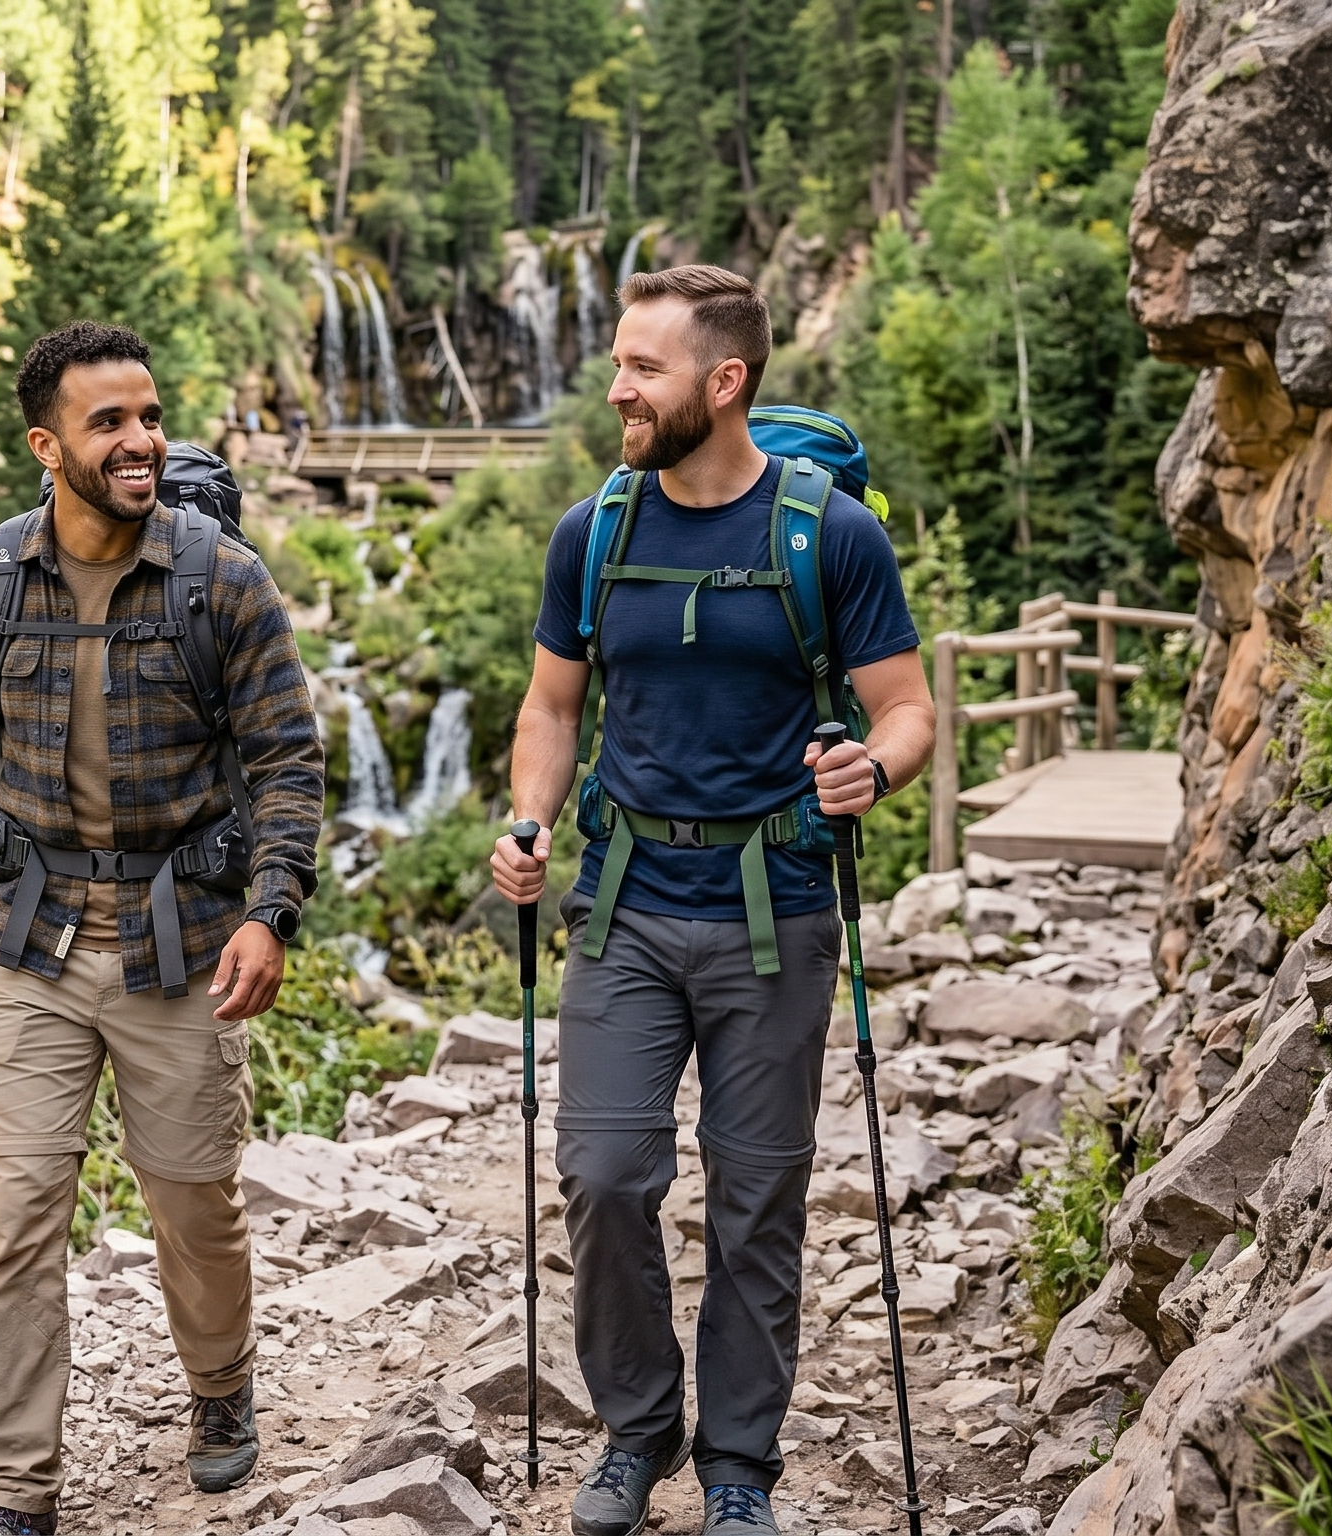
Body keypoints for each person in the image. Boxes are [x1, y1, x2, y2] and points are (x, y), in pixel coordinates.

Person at [486, 266, 933, 1536]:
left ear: (723, 383)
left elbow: (906, 710)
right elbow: (551, 708)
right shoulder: (596, 530)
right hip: (623, 901)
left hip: (777, 906)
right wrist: (526, 821)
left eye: (642, 369)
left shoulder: (826, 535)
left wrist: (871, 766)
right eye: (620, 364)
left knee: (759, 1190)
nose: (616, 389)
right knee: (606, 1173)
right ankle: (636, 1430)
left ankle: (738, 1462)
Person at [0, 321, 326, 1536]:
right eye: (108, 424)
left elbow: (288, 761)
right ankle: (13, 1492)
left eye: (149, 417)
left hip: (179, 937)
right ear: (46, 445)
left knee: (193, 1203)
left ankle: (221, 1390)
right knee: (14, 1221)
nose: (141, 442)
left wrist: (272, 911)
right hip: (26, 942)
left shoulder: (219, 580)